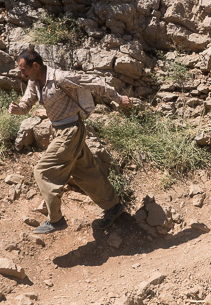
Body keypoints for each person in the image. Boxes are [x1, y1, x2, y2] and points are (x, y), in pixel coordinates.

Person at [8, 48, 131, 234]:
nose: (22, 74)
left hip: (70, 131)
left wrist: (119, 98)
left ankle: (55, 220)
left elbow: (96, 83)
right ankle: (113, 207)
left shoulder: (60, 78)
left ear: (35, 65)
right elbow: (27, 103)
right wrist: (19, 109)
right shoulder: (34, 82)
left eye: (23, 70)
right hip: (59, 131)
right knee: (85, 172)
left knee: (42, 171)